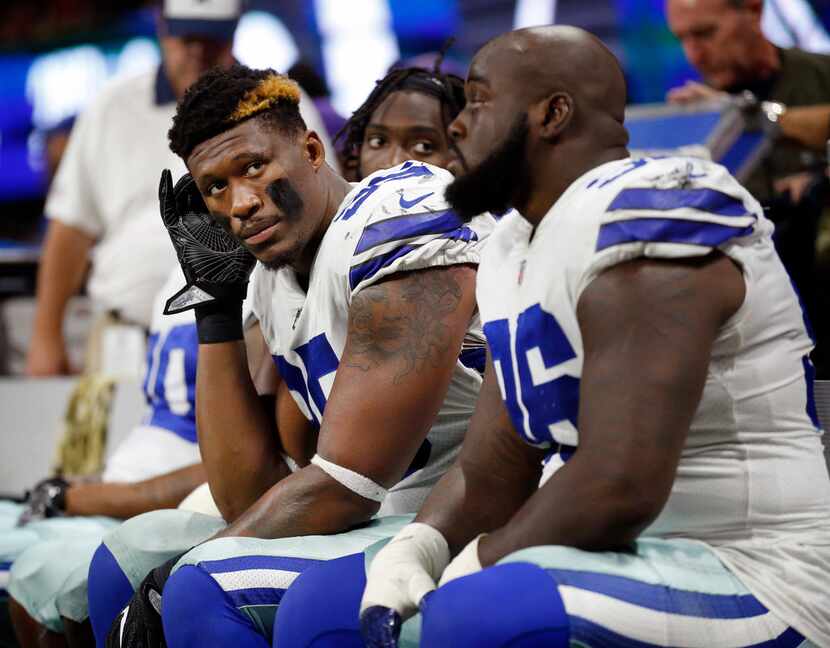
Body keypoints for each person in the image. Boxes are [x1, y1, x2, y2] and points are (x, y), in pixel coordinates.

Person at [274, 26, 830, 648]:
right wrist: (420, 547)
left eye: (479, 101)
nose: (459, 127)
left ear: (553, 114)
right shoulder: (514, 242)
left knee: (478, 614)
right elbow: (494, 467)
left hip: (755, 567)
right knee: (320, 609)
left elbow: (621, 483)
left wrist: (482, 561)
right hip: (620, 551)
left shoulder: (650, 206)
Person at [84, 64, 492, 647]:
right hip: (390, 512)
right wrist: (216, 307)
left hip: (471, 509)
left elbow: (348, 482)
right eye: (215, 187)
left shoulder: (397, 210)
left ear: (310, 148)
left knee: (197, 584)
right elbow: (247, 493)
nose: (241, 203)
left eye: (254, 166)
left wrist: (187, 566)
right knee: (120, 563)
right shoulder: (272, 281)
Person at [4, 267, 207, 648]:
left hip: (168, 506)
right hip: (123, 490)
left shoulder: (257, 274)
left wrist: (72, 498)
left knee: (46, 572)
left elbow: (228, 469)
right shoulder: (182, 264)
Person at [665, 0, 830, 376]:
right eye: (683, 39)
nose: (695, 53)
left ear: (754, 11)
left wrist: (752, 119)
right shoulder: (689, 122)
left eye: (705, 33)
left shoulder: (822, 77)